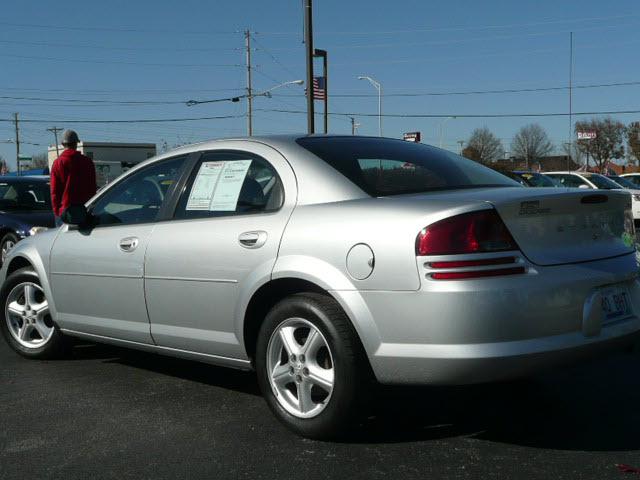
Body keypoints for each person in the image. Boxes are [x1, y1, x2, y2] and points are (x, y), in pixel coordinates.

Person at [50, 130, 97, 225]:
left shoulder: (58, 163)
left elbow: (54, 191)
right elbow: (92, 187)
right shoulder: (87, 162)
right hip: (85, 210)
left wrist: (57, 212)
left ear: (63, 144)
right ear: (76, 143)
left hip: (65, 212)